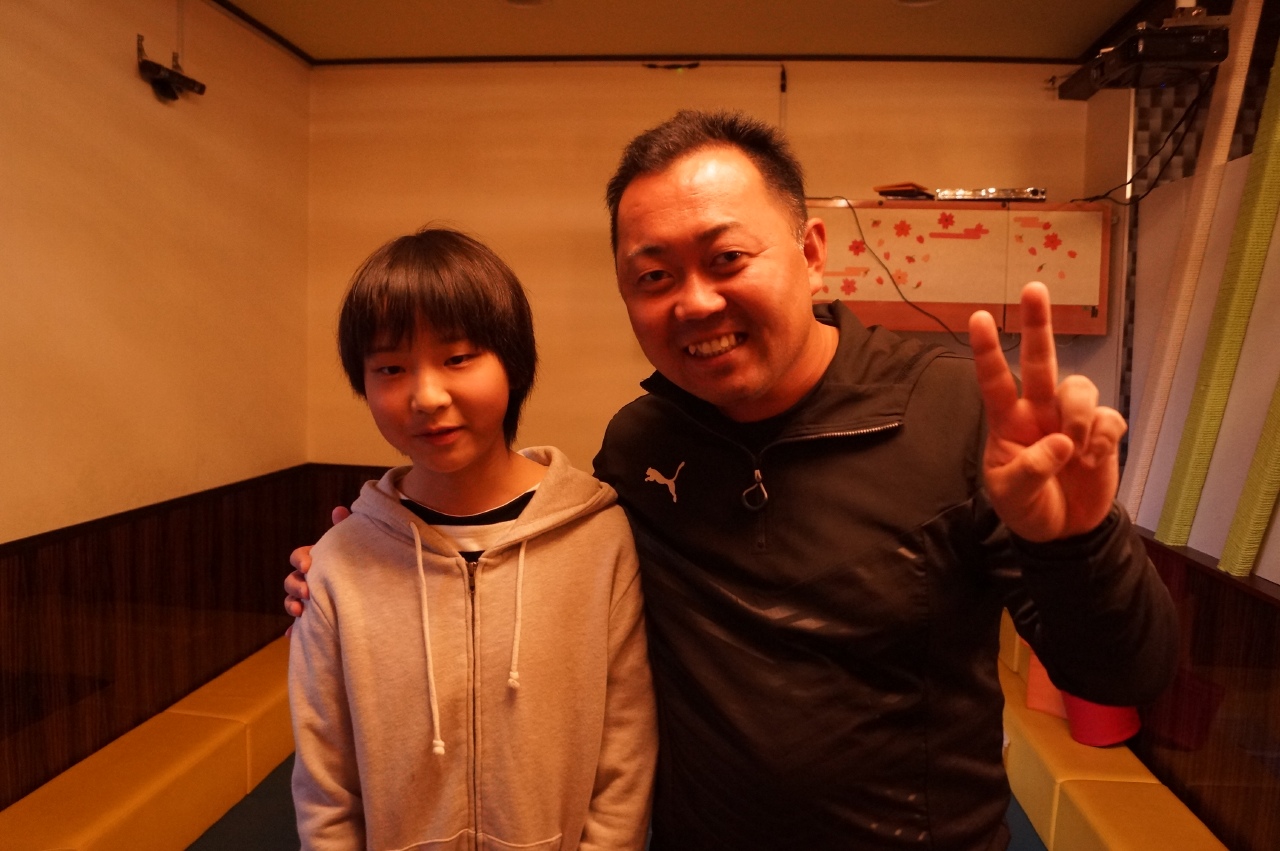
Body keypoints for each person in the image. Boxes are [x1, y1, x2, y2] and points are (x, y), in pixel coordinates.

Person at [288, 113, 1177, 851]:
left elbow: (1124, 671)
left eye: (726, 259)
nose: (695, 302)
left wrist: (1076, 541)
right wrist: (374, 560)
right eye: (654, 276)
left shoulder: (951, 410)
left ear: (812, 252)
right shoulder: (642, 444)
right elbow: (540, 569)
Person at [287, 227, 656, 851]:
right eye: (390, 368)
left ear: (513, 363)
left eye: (458, 358)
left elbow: (625, 752)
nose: (427, 396)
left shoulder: (598, 537)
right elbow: (326, 785)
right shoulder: (339, 563)